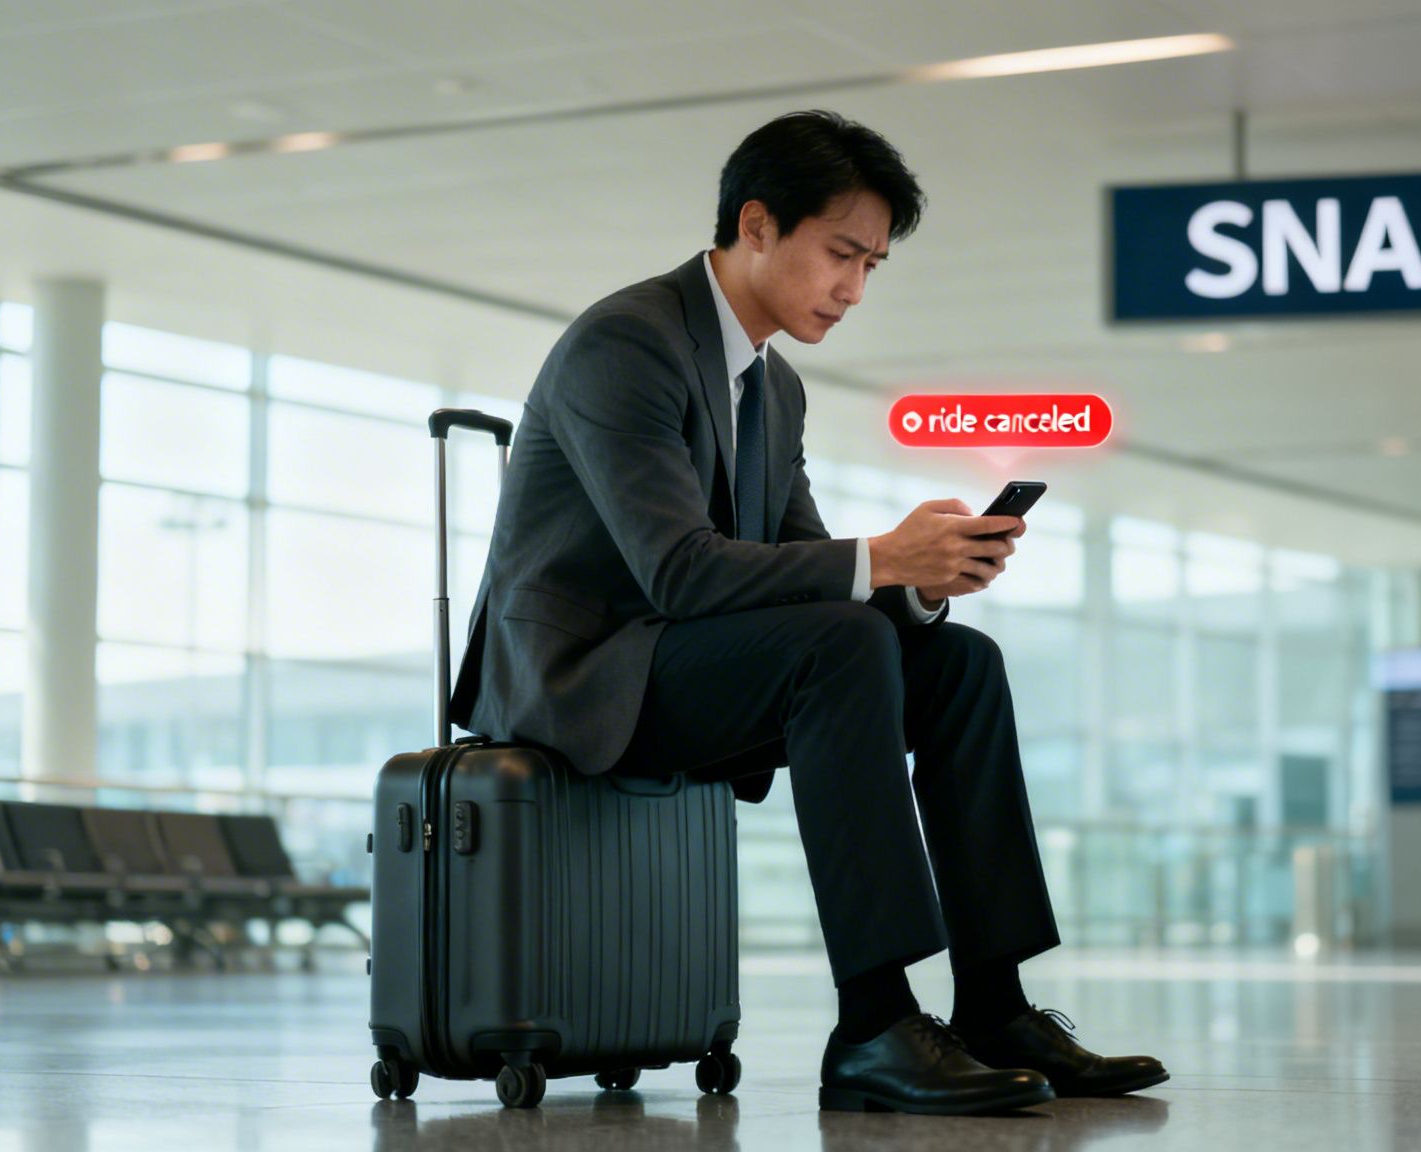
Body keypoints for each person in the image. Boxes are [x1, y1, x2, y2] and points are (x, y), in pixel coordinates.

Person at [449, 109, 1166, 1115]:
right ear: (754, 225)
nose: (854, 288)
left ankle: (993, 1003)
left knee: (960, 666)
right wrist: (877, 561)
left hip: (681, 659)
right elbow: (679, 574)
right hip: (582, 677)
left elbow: (792, 567)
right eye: (840, 254)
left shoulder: (772, 386)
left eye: (871, 264)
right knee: (836, 642)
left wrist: (918, 586)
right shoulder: (627, 343)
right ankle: (874, 1021)